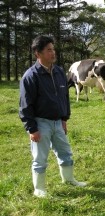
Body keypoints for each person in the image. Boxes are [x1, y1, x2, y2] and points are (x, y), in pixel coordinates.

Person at [19, 35, 86, 198]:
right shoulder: (30, 76)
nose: (53, 53)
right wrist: (32, 128)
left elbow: (64, 97)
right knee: (40, 158)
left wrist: (64, 118)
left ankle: (69, 180)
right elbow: (25, 106)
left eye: (53, 49)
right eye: (49, 50)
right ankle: (39, 189)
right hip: (41, 123)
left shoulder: (58, 71)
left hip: (58, 122)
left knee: (65, 152)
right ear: (38, 53)